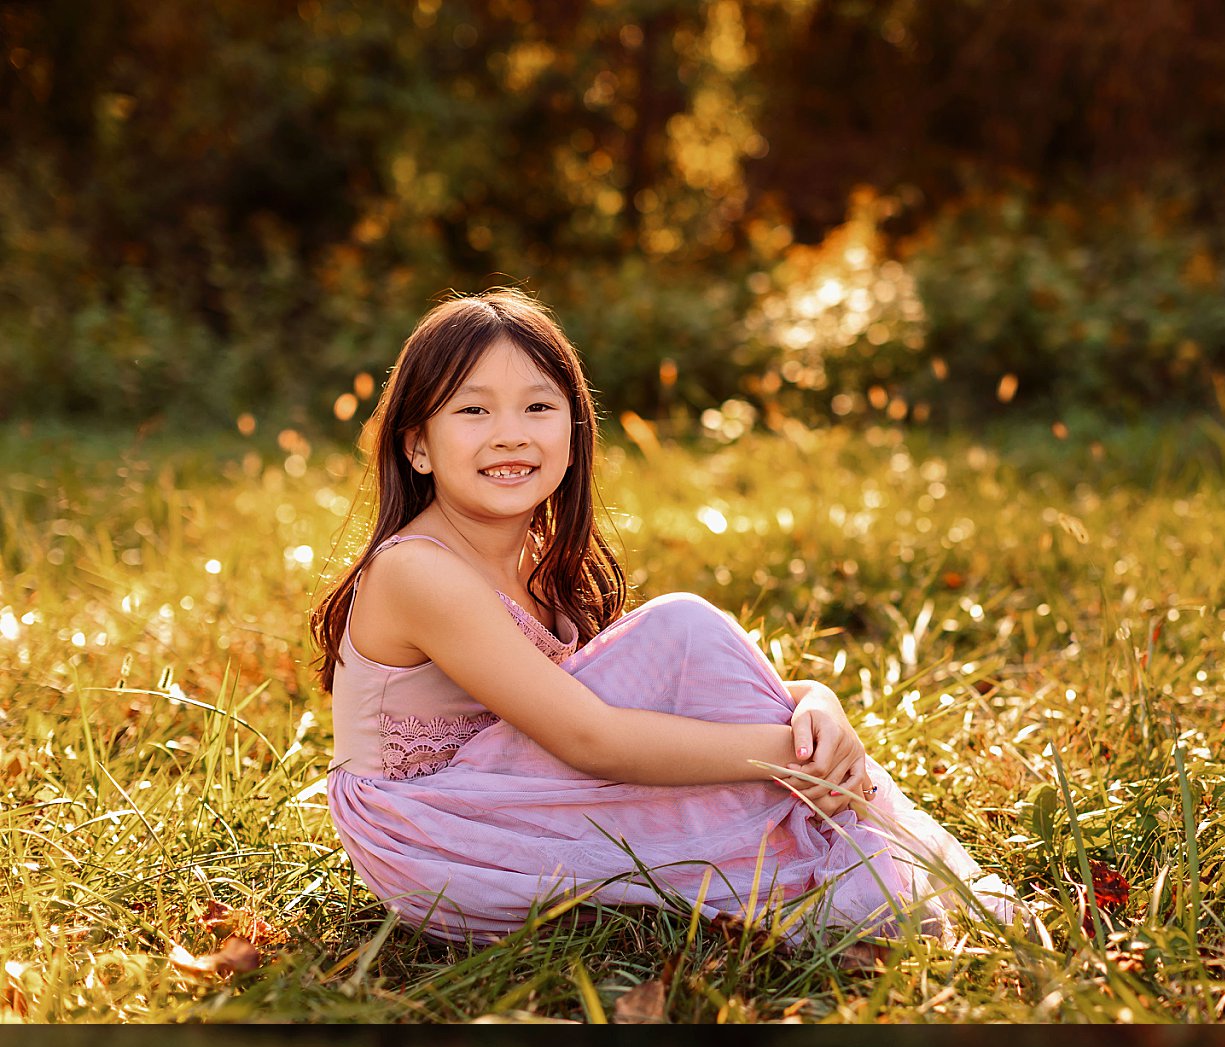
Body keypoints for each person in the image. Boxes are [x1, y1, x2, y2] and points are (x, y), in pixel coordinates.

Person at [313, 288, 1017, 944]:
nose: (509, 435)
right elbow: (593, 739)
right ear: (417, 445)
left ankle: (848, 859)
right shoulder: (417, 571)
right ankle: (852, 871)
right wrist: (790, 759)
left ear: (574, 428)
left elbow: (652, 703)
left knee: (688, 646)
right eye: (472, 411)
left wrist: (814, 705)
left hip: (501, 799)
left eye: (537, 408)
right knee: (682, 628)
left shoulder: (538, 558)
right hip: (431, 841)